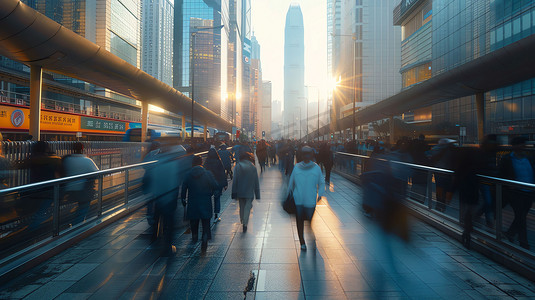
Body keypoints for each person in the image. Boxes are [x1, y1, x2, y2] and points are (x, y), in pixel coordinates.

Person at [499, 136, 534, 249]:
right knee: (521, 216)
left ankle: (510, 233)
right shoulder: (507, 159)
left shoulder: (529, 158)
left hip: (529, 192)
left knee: (521, 216)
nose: (522, 146)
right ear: (513, 146)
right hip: (515, 192)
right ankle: (524, 243)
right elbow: (500, 174)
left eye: (522, 144)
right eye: (519, 144)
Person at [288, 146, 324, 250]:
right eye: (305, 154)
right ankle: (302, 242)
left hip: (309, 200)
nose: (307, 156)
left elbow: (321, 183)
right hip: (299, 200)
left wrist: (320, 194)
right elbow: (291, 183)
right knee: (300, 221)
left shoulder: (316, 167)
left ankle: (309, 238)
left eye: (308, 153)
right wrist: (289, 194)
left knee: (308, 221)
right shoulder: (297, 167)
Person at [182, 155, 218, 251]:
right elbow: (215, 185)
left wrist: (183, 199)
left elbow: (184, 187)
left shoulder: (188, 174)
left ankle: (194, 235)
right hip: (205, 201)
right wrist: (211, 192)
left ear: (193, 163)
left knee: (194, 220)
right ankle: (205, 236)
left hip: (193, 201)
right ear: (202, 163)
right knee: (206, 221)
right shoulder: (207, 173)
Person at [61, 142, 99, 225]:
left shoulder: (67, 160)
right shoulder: (87, 160)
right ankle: (77, 225)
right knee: (83, 207)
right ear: (83, 149)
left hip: (68, 190)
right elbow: (97, 174)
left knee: (68, 206)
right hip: (83, 191)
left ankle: (67, 224)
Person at [231, 152, 260, 232]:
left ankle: (242, 219)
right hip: (249, 191)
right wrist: (257, 194)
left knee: (242, 206)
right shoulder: (253, 167)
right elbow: (256, 181)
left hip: (240, 191)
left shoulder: (238, 166)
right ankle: (245, 223)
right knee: (247, 207)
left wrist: (234, 192)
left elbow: (235, 181)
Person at [430, 138, 457, 212]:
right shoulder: (450, 150)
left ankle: (439, 205)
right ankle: (443, 205)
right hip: (447, 173)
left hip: (438, 172)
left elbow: (432, 159)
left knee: (439, 189)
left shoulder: (436, 149)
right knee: (445, 190)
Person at [204, 147, 228, 222]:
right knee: (217, 198)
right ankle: (216, 215)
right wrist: (225, 184)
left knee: (208, 199)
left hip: (208, 183)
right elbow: (222, 172)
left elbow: (204, 172)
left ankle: (208, 214)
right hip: (218, 183)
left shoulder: (206, 162)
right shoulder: (218, 161)